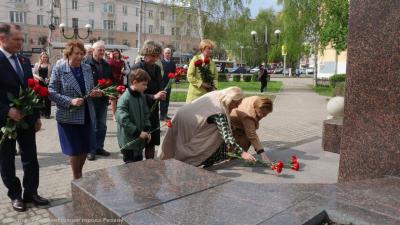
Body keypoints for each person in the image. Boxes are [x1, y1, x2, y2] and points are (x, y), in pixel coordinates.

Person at [0, 23, 49, 212]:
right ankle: (15, 194)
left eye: (22, 39)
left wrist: (36, 117)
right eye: (16, 39)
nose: (21, 43)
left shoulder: (22, 60)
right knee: (6, 160)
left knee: (30, 157)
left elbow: (31, 91)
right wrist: (6, 110)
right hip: (5, 122)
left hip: (27, 119)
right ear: (2, 38)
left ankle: (31, 192)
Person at [160, 87, 256, 167]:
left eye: (239, 104)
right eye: (235, 103)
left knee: (178, 145)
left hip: (183, 115)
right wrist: (243, 153)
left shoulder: (218, 94)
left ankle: (174, 164)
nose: (236, 107)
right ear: (229, 99)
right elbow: (227, 136)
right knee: (194, 148)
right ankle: (185, 167)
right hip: (190, 122)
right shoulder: (219, 111)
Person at [49, 40, 102, 179]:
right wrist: (70, 101)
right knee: (74, 149)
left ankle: (79, 173)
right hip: (68, 116)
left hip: (86, 113)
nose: (80, 57)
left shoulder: (86, 68)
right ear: (68, 53)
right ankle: (76, 177)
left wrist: (94, 92)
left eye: (82, 53)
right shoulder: (59, 68)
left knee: (85, 147)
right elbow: (51, 92)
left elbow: (90, 88)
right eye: (76, 53)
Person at [131, 40, 166, 160]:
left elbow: (161, 85)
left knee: (151, 143)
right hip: (139, 111)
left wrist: (162, 94)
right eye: (152, 56)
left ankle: (149, 167)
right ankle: (138, 169)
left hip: (153, 111)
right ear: (145, 53)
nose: (155, 59)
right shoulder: (137, 68)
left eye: (157, 56)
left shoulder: (156, 68)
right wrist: (153, 96)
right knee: (140, 143)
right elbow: (132, 93)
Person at [116, 69, 151, 163]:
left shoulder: (141, 96)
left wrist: (147, 130)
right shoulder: (125, 98)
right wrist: (137, 132)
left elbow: (146, 113)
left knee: (138, 164)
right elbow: (123, 119)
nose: (146, 87)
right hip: (128, 141)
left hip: (139, 140)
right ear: (135, 82)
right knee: (130, 167)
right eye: (144, 84)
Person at [85, 40, 112, 161]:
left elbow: (110, 80)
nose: (102, 52)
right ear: (93, 51)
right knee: (92, 125)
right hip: (91, 100)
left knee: (102, 125)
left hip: (103, 99)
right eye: (99, 50)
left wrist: (111, 92)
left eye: (103, 50)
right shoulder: (86, 63)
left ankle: (99, 147)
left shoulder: (106, 64)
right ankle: (90, 150)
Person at [230, 96, 273, 163]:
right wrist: (263, 155)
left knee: (245, 144)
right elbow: (252, 135)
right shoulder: (248, 116)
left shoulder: (258, 100)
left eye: (266, 114)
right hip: (234, 124)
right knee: (239, 148)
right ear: (256, 107)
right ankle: (231, 162)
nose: (263, 115)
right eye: (262, 113)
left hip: (241, 120)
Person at [32, 52, 52, 118]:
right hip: (39, 83)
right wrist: (38, 77)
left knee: (47, 99)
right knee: (39, 99)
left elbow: (52, 74)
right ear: (41, 57)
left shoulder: (50, 65)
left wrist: (49, 78)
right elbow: (33, 73)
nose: (45, 58)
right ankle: (41, 113)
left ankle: (47, 114)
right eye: (43, 57)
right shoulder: (37, 64)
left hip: (46, 83)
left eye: (46, 57)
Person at [108, 48, 125, 121]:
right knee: (113, 99)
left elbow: (125, 69)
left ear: (119, 54)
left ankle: (119, 114)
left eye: (117, 53)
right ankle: (114, 115)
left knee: (121, 98)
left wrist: (124, 72)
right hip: (113, 81)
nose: (116, 54)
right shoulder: (111, 61)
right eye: (114, 53)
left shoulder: (122, 61)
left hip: (121, 81)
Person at [160, 48, 176, 121]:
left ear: (171, 54)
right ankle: (162, 115)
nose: (167, 54)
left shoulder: (173, 63)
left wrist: (173, 79)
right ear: (163, 54)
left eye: (169, 53)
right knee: (162, 100)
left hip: (169, 83)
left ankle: (165, 115)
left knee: (167, 100)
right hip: (162, 84)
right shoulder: (161, 62)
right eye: (166, 53)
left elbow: (174, 72)